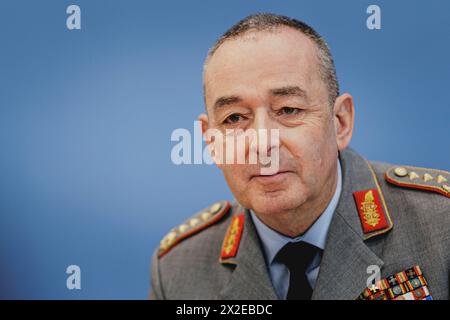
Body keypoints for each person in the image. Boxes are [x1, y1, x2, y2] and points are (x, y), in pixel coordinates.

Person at [150, 13, 450, 300]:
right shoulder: (179, 268)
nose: (262, 143)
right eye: (234, 118)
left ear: (340, 122)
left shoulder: (440, 226)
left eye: (289, 110)